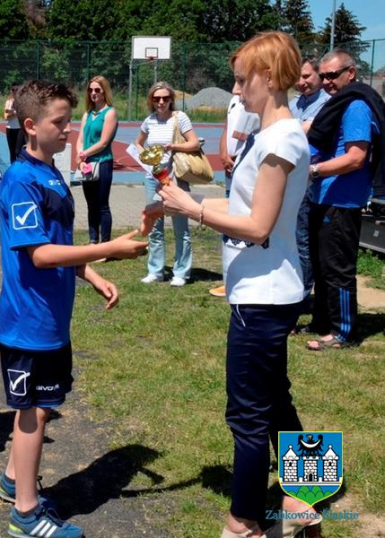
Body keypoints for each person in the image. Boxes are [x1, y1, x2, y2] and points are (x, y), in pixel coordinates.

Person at [157, 32, 321, 538]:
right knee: (276, 400)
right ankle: (310, 498)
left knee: (247, 415)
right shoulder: (269, 134)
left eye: (242, 77)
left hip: (264, 295)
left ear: (268, 77)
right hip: (265, 290)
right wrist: (184, 203)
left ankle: (244, 521)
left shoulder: (281, 138)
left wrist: (194, 209)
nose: (236, 87)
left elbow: (258, 226)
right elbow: (246, 207)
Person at [0, 79, 148, 538]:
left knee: (41, 408)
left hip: (52, 318)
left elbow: (59, 245)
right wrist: (105, 251)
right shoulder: (21, 179)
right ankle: (25, 515)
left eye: (69, 121)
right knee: (32, 411)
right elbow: (38, 254)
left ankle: (11, 481)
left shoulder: (52, 173)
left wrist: (92, 275)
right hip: (28, 322)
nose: (69, 130)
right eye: (60, 123)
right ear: (30, 126)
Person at [304, 50, 383, 350]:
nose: (326, 82)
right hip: (323, 198)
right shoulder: (338, 106)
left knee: (338, 268)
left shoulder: (356, 107)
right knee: (322, 266)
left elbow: (355, 158)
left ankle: (344, 332)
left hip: (343, 201)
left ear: (350, 73)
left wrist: (313, 170)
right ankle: (322, 322)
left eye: (332, 75)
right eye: (322, 76)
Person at [134, 81, 200, 287]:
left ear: (171, 99)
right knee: (155, 225)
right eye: (156, 98)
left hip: (175, 179)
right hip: (152, 179)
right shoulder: (149, 121)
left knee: (181, 227)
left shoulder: (180, 118)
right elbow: (138, 142)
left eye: (165, 98)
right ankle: (156, 270)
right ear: (151, 101)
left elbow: (194, 143)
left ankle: (181, 272)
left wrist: (174, 146)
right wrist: (144, 156)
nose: (161, 102)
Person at [288, 57, 331, 307]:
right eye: (298, 77)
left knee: (303, 239)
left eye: (306, 76)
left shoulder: (326, 103)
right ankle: (294, 288)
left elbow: (303, 130)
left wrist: (288, 127)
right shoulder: (294, 103)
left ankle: (303, 295)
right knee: (291, 238)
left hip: (311, 180)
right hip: (292, 177)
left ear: (318, 76)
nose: (301, 82)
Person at [209, 94, 260, 297]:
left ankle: (243, 277)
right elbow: (227, 130)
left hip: (246, 172)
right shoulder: (233, 100)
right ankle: (229, 278)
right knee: (229, 227)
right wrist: (223, 154)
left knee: (241, 224)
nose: (237, 84)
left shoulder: (257, 101)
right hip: (231, 171)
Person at [76, 76, 118, 245]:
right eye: (90, 90)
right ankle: (93, 240)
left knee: (102, 205)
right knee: (91, 204)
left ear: (104, 91)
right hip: (87, 164)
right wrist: (81, 157)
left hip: (102, 163)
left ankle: (105, 243)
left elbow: (104, 142)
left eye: (97, 90)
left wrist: (83, 153)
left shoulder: (110, 112)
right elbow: (79, 138)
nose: (93, 93)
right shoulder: (87, 114)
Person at [4, 83, 22, 164]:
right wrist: (15, 113)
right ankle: (13, 169)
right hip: (10, 129)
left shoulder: (22, 102)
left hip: (20, 129)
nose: (15, 92)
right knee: (12, 152)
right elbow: (6, 116)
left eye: (17, 90)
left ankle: (20, 168)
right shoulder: (8, 102)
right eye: (13, 90)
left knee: (18, 151)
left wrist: (12, 113)